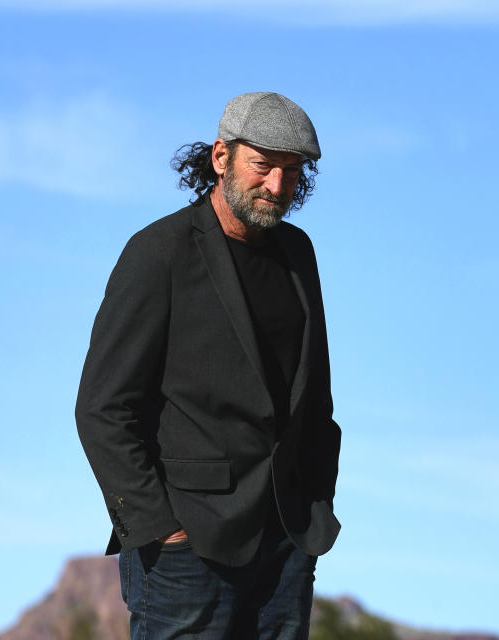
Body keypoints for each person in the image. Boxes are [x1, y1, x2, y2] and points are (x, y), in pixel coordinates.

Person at [76, 92, 341, 640]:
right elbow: (102, 408)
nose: (277, 186)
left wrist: (315, 508)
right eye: (262, 166)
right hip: (186, 552)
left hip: (285, 545)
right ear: (221, 157)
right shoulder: (159, 252)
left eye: (291, 173)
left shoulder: (299, 253)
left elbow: (313, 396)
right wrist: (158, 529)